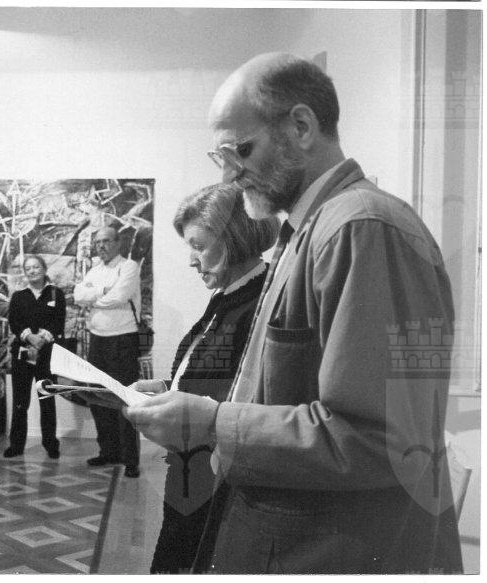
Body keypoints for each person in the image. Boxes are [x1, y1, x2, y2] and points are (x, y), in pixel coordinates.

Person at [125, 53, 462, 574]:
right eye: (219, 157)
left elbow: (382, 439)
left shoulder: (362, 229)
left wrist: (212, 421)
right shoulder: (310, 230)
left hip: (329, 552)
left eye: (239, 150)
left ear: (301, 127)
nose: (229, 174)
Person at [131, 183, 276, 573]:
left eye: (199, 246)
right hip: (191, 473)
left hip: (213, 481)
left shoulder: (258, 303)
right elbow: (214, 376)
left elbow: (247, 398)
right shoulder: (229, 294)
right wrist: (167, 388)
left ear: (234, 239)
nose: (192, 261)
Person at [73, 225, 142, 478]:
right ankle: (109, 451)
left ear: (118, 243)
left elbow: (119, 297)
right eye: (98, 242)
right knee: (99, 398)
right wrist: (102, 291)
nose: (101, 246)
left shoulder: (129, 267)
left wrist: (93, 298)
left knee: (125, 399)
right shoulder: (95, 270)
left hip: (122, 340)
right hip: (97, 340)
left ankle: (130, 459)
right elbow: (78, 295)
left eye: (106, 241)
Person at [4, 255, 64, 459]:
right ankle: (16, 445)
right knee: (20, 401)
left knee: (47, 399)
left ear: (44, 269)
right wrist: (29, 337)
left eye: (36, 267)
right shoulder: (18, 296)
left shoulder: (56, 293)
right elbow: (14, 322)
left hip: (47, 355)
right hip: (23, 354)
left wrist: (42, 339)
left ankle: (50, 444)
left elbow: (59, 322)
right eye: (28, 268)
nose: (32, 271)